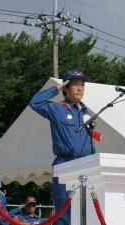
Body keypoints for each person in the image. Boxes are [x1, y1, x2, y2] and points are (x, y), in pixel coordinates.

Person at [29, 70, 93, 225]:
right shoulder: (58, 108)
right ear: (65, 87)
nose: (80, 89)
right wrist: (56, 88)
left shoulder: (86, 112)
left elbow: (90, 143)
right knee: (64, 213)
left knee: (85, 211)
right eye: (75, 85)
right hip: (65, 163)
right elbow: (35, 102)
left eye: (82, 85)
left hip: (86, 165)